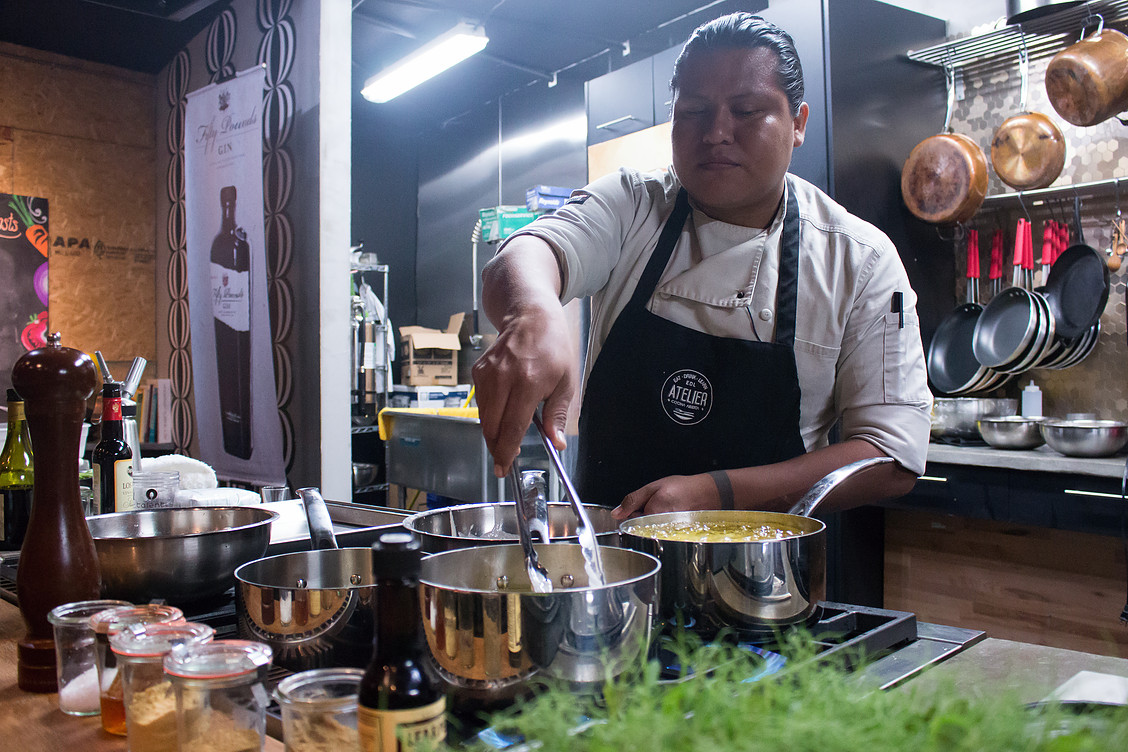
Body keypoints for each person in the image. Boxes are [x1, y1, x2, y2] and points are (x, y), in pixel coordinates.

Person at [472, 12, 932, 520]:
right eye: (693, 111)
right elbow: (525, 254)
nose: (715, 133)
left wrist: (719, 496)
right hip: (607, 570)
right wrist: (532, 313)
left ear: (798, 123)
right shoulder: (633, 206)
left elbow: (891, 456)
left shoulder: (858, 260)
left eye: (746, 110)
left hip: (763, 586)